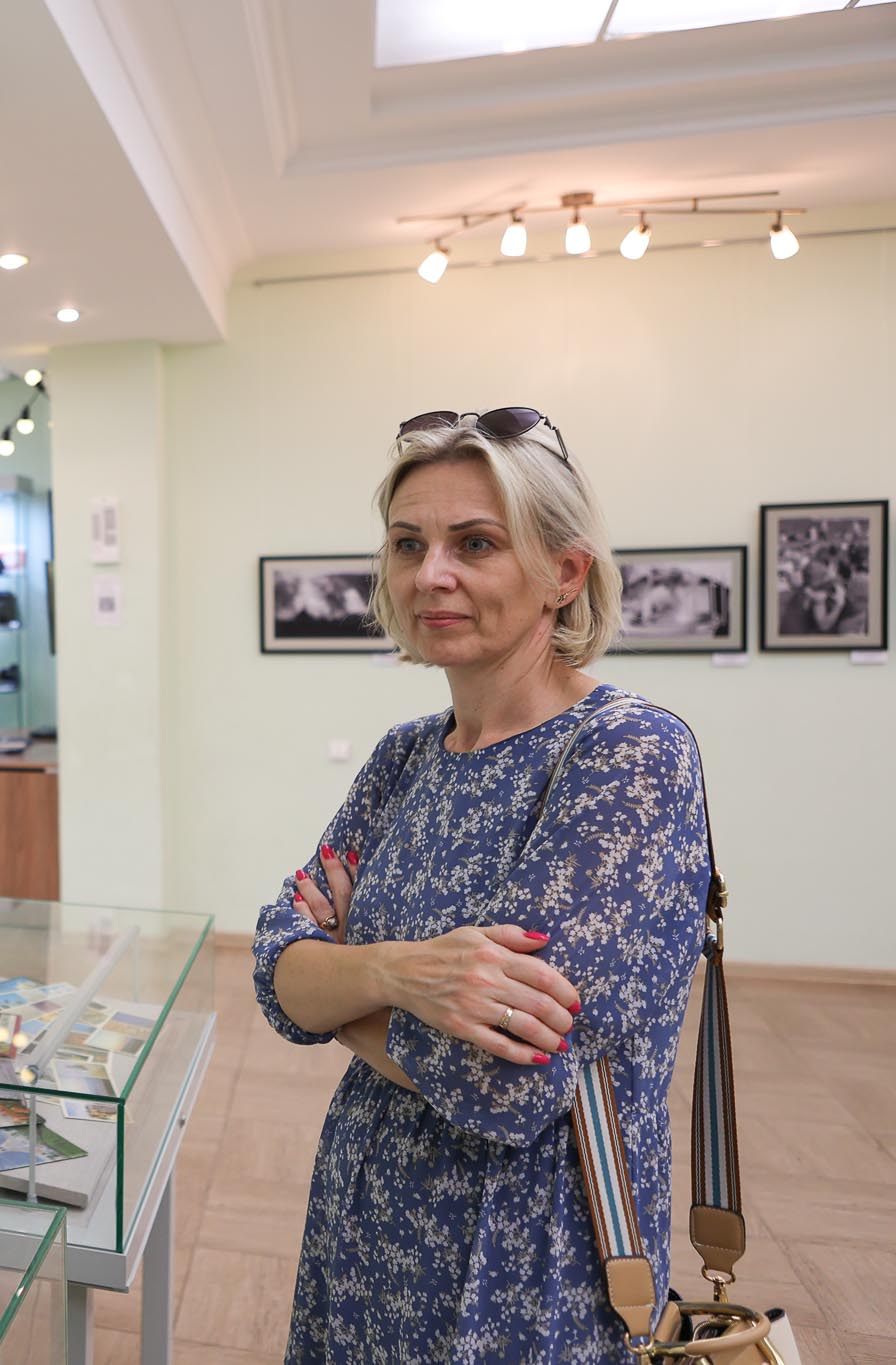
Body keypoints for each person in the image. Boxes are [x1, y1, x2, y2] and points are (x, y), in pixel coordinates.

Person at [252, 409, 710, 1361]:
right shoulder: (402, 758)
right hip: (360, 1226)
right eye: (408, 543)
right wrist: (404, 974)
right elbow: (273, 966)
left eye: (476, 543)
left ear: (565, 573)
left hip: (519, 1263)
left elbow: (500, 1084)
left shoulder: (628, 754)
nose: (432, 575)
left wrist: (337, 979)